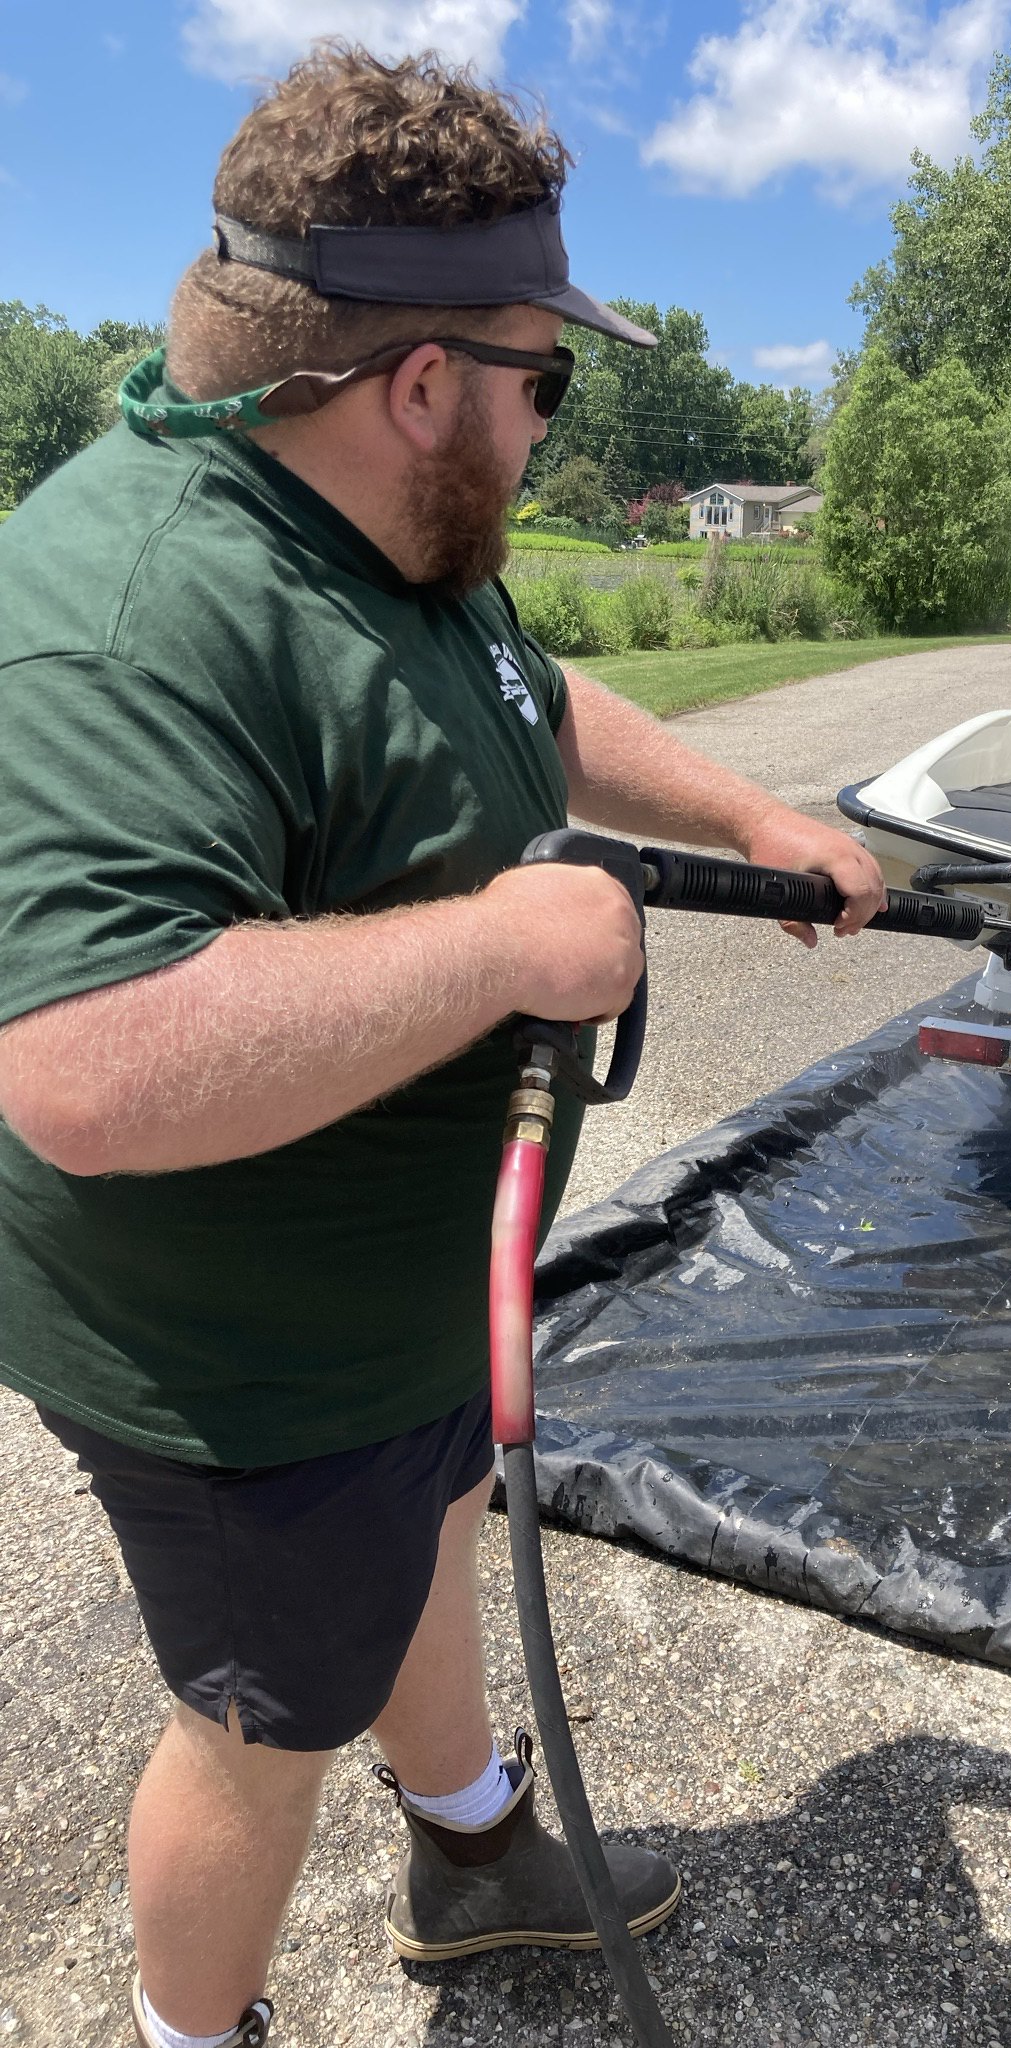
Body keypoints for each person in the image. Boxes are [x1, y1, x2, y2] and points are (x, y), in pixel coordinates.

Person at [0, 46, 885, 2048]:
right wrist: (499, 942)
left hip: (410, 1314)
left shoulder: (402, 530)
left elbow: (529, 690)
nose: (550, 427)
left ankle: (471, 1854)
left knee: (442, 1520)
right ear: (423, 385)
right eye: (540, 383)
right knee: (261, 1723)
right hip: (243, 1366)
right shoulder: (142, 607)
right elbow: (84, 1059)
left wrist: (750, 821)